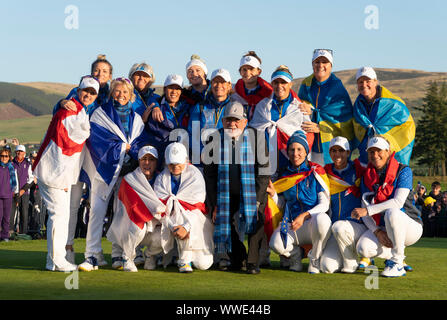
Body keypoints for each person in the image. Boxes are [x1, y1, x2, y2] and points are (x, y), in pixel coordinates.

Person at [78, 77, 148, 271]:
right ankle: (92, 255)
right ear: (111, 93)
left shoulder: (136, 119)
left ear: (131, 95)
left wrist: (133, 150)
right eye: (117, 91)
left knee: (123, 213)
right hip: (105, 172)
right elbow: (96, 141)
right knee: (97, 212)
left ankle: (120, 254)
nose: (121, 95)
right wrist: (121, 147)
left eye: (125, 92)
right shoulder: (101, 114)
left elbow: (140, 143)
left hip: (128, 172)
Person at [32, 76, 95, 271]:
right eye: (86, 91)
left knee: (61, 215)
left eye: (93, 93)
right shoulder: (69, 109)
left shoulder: (79, 110)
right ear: (78, 90)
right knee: (58, 215)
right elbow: (71, 139)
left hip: (61, 173)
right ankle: (56, 260)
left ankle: (55, 261)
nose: (89, 95)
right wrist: (86, 128)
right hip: (53, 171)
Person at [203, 101, 270, 274]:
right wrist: (214, 204)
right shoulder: (214, 138)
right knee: (222, 220)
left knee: (258, 219)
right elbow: (209, 175)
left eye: (236, 120)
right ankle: (238, 257)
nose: (232, 124)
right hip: (226, 193)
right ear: (223, 121)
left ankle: (252, 262)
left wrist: (256, 198)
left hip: (252, 192)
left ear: (245, 122)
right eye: (229, 120)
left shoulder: (258, 138)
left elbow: (263, 173)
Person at [352, 136, 423, 277]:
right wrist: (377, 231)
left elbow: (398, 202)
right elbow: (363, 207)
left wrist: (368, 210)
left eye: (379, 151)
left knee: (392, 212)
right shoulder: (368, 176)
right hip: (385, 227)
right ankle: (393, 253)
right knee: (363, 248)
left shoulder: (403, 170)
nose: (375, 155)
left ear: (388, 151)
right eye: (371, 152)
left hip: (411, 226)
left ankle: (397, 262)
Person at [267, 130, 331, 273]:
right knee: (275, 244)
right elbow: (282, 205)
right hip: (292, 224)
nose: (295, 153)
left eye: (299, 149)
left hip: (312, 223)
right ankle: (296, 256)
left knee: (323, 220)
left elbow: (325, 204)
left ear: (306, 151)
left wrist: (304, 215)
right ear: (288, 152)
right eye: (292, 149)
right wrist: (274, 195)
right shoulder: (284, 174)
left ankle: (315, 258)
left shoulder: (315, 171)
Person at [154, 142, 214, 273]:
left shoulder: (195, 175)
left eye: (178, 163)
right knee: (177, 217)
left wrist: (186, 227)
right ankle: (184, 261)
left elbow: (197, 208)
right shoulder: (161, 179)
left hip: (194, 221)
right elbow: (159, 209)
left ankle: (186, 254)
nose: (175, 167)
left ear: (186, 160)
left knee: (204, 264)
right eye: (171, 164)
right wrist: (172, 226)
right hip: (171, 221)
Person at [106, 146, 166, 272]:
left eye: (151, 159)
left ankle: (150, 255)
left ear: (156, 162)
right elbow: (129, 208)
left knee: (165, 235)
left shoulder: (162, 180)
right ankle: (127, 258)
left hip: (154, 225)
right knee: (138, 224)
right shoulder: (129, 179)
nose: (147, 163)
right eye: (144, 159)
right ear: (138, 161)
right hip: (130, 227)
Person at [250, 65, 312, 174]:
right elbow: (254, 131)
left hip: (291, 162)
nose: (279, 86)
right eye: (276, 82)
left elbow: (308, 136)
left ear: (290, 84)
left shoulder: (299, 108)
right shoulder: (263, 106)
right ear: (272, 84)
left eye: (283, 82)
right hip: (266, 162)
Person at [319, 136, 367, 273]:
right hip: (335, 228)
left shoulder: (358, 171)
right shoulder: (325, 172)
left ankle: (351, 262)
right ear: (330, 153)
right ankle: (346, 255)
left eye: (341, 150)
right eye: (333, 150)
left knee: (340, 227)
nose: (337, 154)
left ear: (348, 152)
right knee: (327, 267)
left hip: (357, 226)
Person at [298, 49, 354, 165]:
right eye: (317, 62)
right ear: (312, 64)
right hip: (308, 148)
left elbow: (345, 123)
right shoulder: (306, 85)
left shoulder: (338, 88)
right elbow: (297, 111)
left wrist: (321, 127)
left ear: (331, 65)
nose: (320, 65)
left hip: (330, 151)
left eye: (325, 62)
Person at [353, 67, 416, 166]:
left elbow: (407, 126)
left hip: (390, 155)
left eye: (368, 81)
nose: (364, 85)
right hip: (367, 156)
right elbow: (358, 131)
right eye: (360, 82)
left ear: (375, 82)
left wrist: (386, 140)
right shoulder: (357, 107)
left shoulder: (393, 103)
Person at [188, 68, 233, 164]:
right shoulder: (200, 107)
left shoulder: (235, 107)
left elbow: (241, 134)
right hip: (203, 159)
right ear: (211, 85)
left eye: (223, 82)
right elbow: (193, 133)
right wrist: (201, 152)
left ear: (229, 85)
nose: (219, 86)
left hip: (228, 159)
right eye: (215, 82)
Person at [146, 74, 189, 167]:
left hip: (184, 157)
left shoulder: (187, 107)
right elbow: (152, 136)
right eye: (170, 88)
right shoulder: (157, 109)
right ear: (165, 89)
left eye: (177, 88)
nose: (174, 92)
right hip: (164, 157)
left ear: (181, 91)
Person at [231, 51, 273, 121]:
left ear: (259, 72)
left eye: (251, 69)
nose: (247, 73)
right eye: (244, 69)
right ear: (240, 72)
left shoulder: (269, 92)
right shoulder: (233, 92)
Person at [9, 145, 34, 235]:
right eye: (17, 151)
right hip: (12, 193)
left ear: (24, 153)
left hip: (24, 192)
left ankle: (23, 234)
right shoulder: (11, 164)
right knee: (11, 213)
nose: (19, 153)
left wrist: (23, 190)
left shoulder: (28, 164)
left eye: (21, 151)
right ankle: (10, 233)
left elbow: (31, 179)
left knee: (24, 213)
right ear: (15, 152)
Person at [0, 147, 18, 242]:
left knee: (6, 218)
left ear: (9, 157)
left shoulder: (11, 167)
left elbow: (15, 182)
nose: (4, 158)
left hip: (8, 195)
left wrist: (15, 192)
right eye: (2, 156)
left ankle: (5, 236)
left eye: (6, 156)